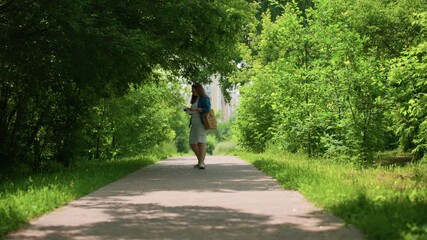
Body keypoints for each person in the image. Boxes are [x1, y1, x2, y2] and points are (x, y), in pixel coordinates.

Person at [188, 83, 211, 169]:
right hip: (194, 123)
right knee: (192, 143)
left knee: (201, 142)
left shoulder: (204, 98)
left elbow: (207, 109)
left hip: (201, 123)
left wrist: (196, 109)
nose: (192, 91)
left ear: (198, 89)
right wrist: (190, 111)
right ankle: (201, 161)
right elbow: (194, 111)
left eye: (193, 90)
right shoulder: (195, 99)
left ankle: (201, 162)